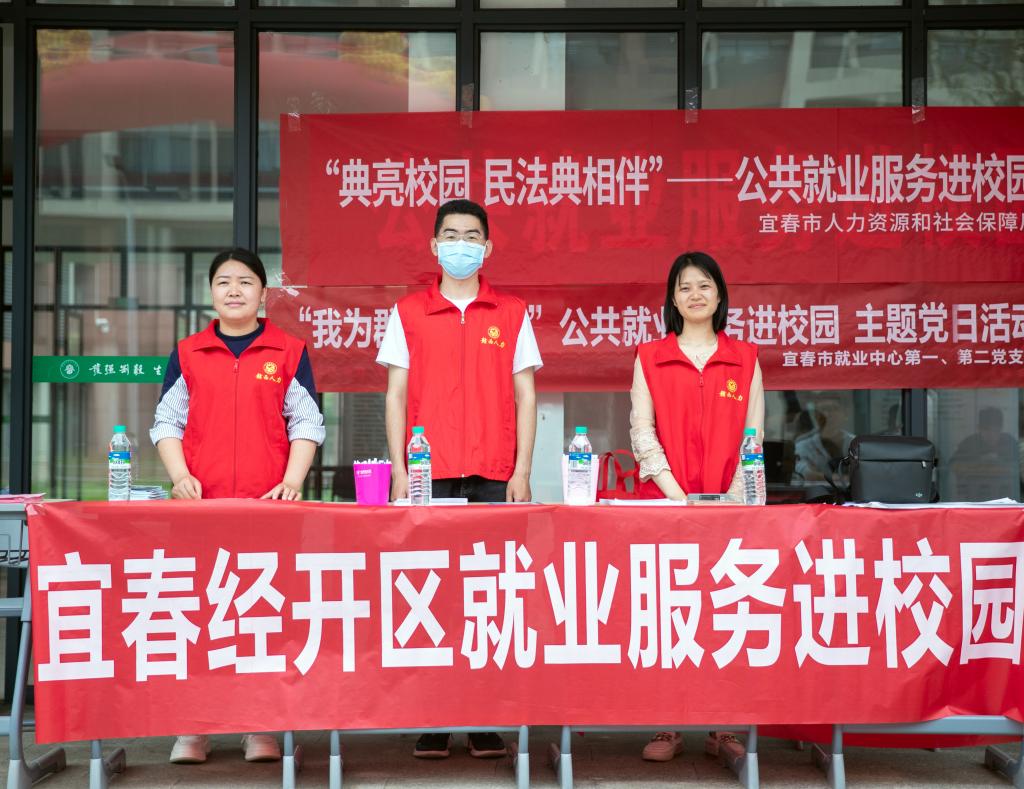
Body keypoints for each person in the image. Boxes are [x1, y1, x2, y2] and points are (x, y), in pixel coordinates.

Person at [376, 198, 542, 759]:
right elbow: (396, 395)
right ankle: (435, 718)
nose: (461, 245)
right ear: (433, 246)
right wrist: (400, 471)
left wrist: (521, 470)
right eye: (451, 235)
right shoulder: (408, 312)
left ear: (488, 247)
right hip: (429, 473)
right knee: (431, 594)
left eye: (472, 236)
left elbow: (526, 395)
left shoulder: (512, 312)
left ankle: (483, 719)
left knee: (491, 595)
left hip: (495, 475)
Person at [150, 247, 325, 764]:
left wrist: (291, 481)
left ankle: (260, 726)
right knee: (198, 615)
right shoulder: (188, 353)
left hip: (265, 511)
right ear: (211, 292)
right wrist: (180, 477)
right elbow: (166, 423)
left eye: (246, 282)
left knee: (261, 615)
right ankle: (194, 728)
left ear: (263, 294)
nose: (234, 290)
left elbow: (307, 422)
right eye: (224, 281)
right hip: (201, 511)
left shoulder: (289, 351)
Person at [628, 251, 764, 762]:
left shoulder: (745, 358)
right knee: (670, 610)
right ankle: (667, 724)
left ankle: (723, 726)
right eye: (684, 287)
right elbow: (642, 430)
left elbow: (754, 437)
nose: (695, 295)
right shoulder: (650, 356)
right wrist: (676, 495)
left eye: (704, 285)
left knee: (728, 608)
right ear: (672, 298)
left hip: (731, 507)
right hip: (666, 505)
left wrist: (732, 500)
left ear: (720, 294)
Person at [950, 406, 1021, 500]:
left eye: (995, 430)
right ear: (979, 428)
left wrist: (998, 464)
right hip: (974, 498)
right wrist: (979, 463)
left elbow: (1019, 468)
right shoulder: (969, 443)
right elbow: (953, 466)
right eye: (986, 430)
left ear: (1001, 429)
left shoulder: (1009, 443)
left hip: (1006, 498)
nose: (991, 434)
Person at [793, 393, 854, 483]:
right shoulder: (802, 444)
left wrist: (819, 475)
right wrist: (840, 478)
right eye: (823, 409)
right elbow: (805, 473)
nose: (827, 414)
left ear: (845, 414)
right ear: (816, 416)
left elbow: (862, 472)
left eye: (833, 409)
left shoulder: (855, 443)